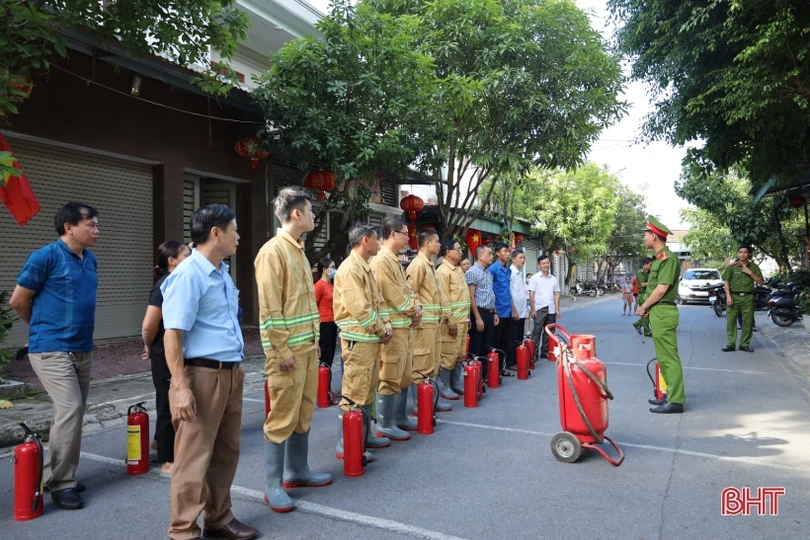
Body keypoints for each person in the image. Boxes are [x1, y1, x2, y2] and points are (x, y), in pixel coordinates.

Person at [161, 204, 257, 540]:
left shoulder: (221, 273)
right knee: (193, 456)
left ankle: (218, 518)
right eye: (234, 229)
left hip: (230, 373)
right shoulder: (188, 275)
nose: (239, 236)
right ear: (216, 233)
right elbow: (172, 333)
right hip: (202, 375)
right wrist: (180, 386)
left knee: (226, 451)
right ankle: (183, 529)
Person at [9, 202, 99, 510]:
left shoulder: (90, 260)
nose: (97, 231)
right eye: (91, 225)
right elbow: (19, 299)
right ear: (69, 227)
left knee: (73, 414)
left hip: (82, 347)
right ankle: (62, 484)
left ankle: (58, 474)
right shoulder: (44, 256)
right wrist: (41, 328)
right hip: (51, 348)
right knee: (71, 409)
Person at [254, 188, 332, 513]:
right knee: (281, 416)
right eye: (311, 211)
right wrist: (280, 350)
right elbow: (271, 309)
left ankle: (297, 470)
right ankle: (274, 485)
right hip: (287, 355)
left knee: (303, 412)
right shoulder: (273, 252)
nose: (315, 216)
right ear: (296, 214)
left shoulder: (298, 250)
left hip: (307, 349)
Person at [334, 223, 393, 460]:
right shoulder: (349, 269)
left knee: (367, 391)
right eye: (377, 239)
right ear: (365, 241)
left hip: (369, 339)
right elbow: (359, 307)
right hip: (357, 340)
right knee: (354, 392)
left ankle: (364, 436)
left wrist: (385, 324)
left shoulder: (364, 267)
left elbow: (377, 301)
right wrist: (381, 328)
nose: (380, 243)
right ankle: (345, 443)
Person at [141, 241, 191, 479]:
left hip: (176, 350)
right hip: (164, 352)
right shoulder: (163, 286)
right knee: (166, 403)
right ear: (171, 261)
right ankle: (167, 460)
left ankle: (158, 442)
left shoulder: (181, 282)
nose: (190, 258)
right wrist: (149, 346)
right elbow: (149, 325)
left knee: (171, 401)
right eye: (185, 255)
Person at [370, 218, 422, 439]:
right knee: (389, 374)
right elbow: (392, 295)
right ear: (392, 234)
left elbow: (408, 290)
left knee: (403, 374)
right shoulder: (381, 262)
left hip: (404, 327)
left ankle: (399, 417)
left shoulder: (394, 260)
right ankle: (385, 422)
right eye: (404, 233)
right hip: (393, 330)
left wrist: (416, 305)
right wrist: (414, 309)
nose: (407, 238)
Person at [637, 216, 684, 414]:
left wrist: (643, 306)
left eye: (646, 234)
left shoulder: (667, 259)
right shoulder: (659, 259)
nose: (644, 238)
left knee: (669, 357)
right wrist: (649, 308)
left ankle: (676, 400)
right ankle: (669, 393)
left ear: (654, 236)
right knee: (663, 358)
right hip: (659, 311)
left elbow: (661, 289)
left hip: (664, 310)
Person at [406, 229, 452, 411]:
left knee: (433, 364)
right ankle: (421, 404)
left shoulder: (429, 265)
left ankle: (431, 399)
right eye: (437, 241)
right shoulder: (418, 265)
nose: (440, 245)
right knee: (422, 364)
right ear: (427, 243)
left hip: (434, 324)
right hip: (423, 325)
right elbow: (410, 291)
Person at [437, 238, 471, 397]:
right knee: (448, 354)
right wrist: (450, 320)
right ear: (447, 251)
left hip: (463, 320)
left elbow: (463, 296)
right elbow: (444, 298)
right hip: (452, 322)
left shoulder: (458, 270)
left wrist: (468, 317)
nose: (460, 252)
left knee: (459, 353)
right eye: (457, 249)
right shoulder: (442, 271)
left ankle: (455, 383)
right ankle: (444, 386)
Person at [722, 245, 764, 353]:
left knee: (748, 322)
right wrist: (728, 296)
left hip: (748, 297)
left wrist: (750, 273)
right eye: (740, 252)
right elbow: (726, 281)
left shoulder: (754, 267)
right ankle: (730, 344)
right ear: (738, 253)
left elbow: (760, 282)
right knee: (731, 322)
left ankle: (744, 344)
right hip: (734, 297)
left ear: (748, 254)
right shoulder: (732, 267)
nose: (743, 254)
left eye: (745, 252)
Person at [466, 245, 497, 379]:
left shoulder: (488, 273)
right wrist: (478, 317)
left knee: (487, 345)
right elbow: (471, 296)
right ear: (480, 256)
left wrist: (494, 312)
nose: (492, 256)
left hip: (489, 312)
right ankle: (474, 376)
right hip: (479, 312)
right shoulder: (473, 272)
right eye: (489, 254)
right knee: (476, 347)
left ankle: (484, 376)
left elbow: (490, 293)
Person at [528, 255, 561, 361]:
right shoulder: (535, 278)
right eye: (543, 263)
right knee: (536, 331)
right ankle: (533, 353)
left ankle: (545, 351)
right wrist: (533, 309)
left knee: (550, 332)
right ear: (539, 265)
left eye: (547, 263)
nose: (546, 265)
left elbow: (556, 294)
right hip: (539, 308)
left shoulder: (553, 278)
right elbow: (531, 294)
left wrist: (557, 309)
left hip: (551, 308)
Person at [506, 249, 529, 370]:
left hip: (522, 311)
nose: (523, 260)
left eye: (524, 258)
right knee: (512, 338)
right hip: (515, 311)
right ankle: (511, 362)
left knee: (519, 337)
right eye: (520, 258)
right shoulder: (510, 273)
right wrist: (514, 310)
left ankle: (519, 359)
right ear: (513, 259)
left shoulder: (519, 273)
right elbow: (509, 293)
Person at [315, 257, 338, 369]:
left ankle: (326, 383)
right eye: (332, 267)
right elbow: (314, 305)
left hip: (333, 322)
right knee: (325, 356)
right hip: (324, 323)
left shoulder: (332, 285)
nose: (334, 270)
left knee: (330, 355)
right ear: (324, 269)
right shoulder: (319, 285)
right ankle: (323, 385)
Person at [633, 257, 654, 337]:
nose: (650, 266)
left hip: (648, 294)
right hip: (643, 295)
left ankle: (638, 324)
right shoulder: (640, 272)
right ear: (645, 264)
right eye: (650, 265)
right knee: (645, 313)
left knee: (649, 313)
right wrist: (652, 283)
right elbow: (642, 284)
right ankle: (647, 331)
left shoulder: (649, 272)